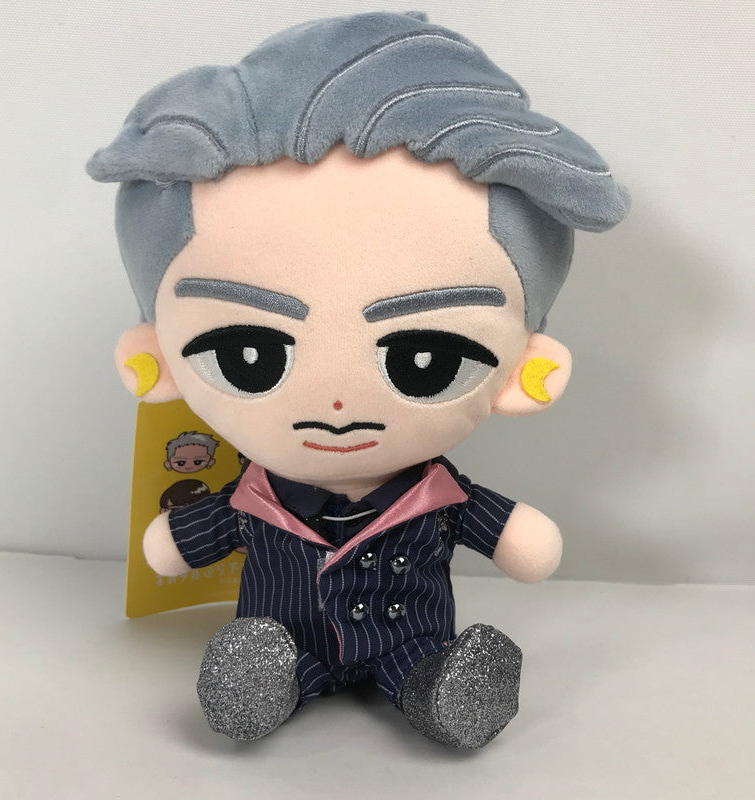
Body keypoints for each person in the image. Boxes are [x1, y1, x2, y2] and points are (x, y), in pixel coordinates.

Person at [87, 10, 628, 748]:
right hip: (284, 637)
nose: (337, 403)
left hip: (412, 639)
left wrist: (517, 538)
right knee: (272, 659)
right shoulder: (251, 499)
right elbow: (171, 546)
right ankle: (262, 681)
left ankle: (442, 692)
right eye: (250, 355)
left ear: (526, 372)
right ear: (153, 359)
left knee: (426, 671)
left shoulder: (441, 498)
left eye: (424, 358)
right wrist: (173, 544)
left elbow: (524, 545)